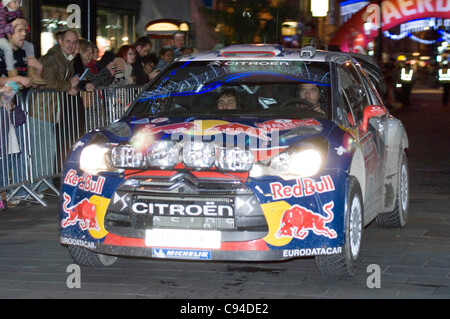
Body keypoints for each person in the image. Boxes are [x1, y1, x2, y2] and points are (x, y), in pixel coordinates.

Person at [0, 0, 46, 85]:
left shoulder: (24, 52)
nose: (24, 34)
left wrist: (40, 69)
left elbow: (34, 86)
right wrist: (17, 79)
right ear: (9, 34)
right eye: (20, 30)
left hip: (23, 98)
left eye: (25, 30)